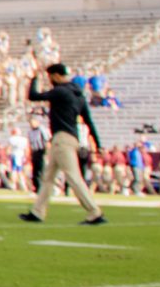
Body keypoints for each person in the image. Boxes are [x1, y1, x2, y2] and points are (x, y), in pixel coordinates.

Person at [21, 56, 106, 225]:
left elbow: (33, 96)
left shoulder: (60, 91)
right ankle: (37, 212)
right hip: (70, 138)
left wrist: (34, 77)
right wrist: (98, 144)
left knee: (73, 176)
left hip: (61, 138)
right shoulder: (78, 95)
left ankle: (94, 211)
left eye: (51, 77)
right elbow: (89, 121)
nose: (51, 81)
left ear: (57, 76)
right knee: (48, 177)